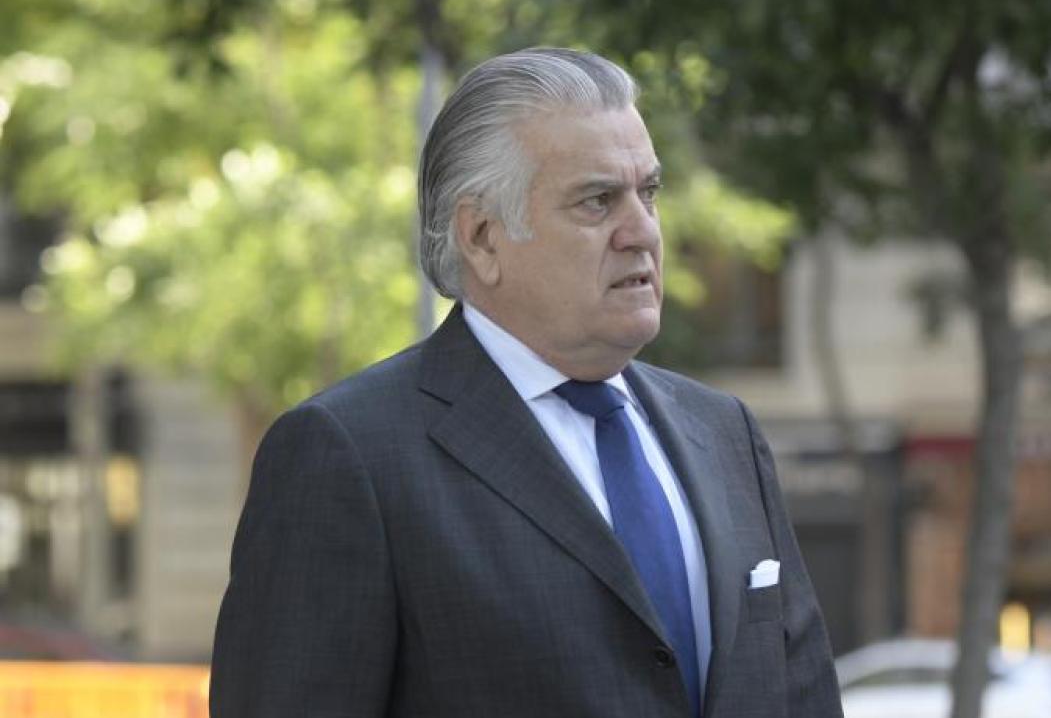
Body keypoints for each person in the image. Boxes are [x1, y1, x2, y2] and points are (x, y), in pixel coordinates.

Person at [209, 47, 843, 718]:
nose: (642, 232)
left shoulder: (724, 432)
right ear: (483, 238)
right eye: (597, 201)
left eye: (649, 193)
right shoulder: (349, 455)